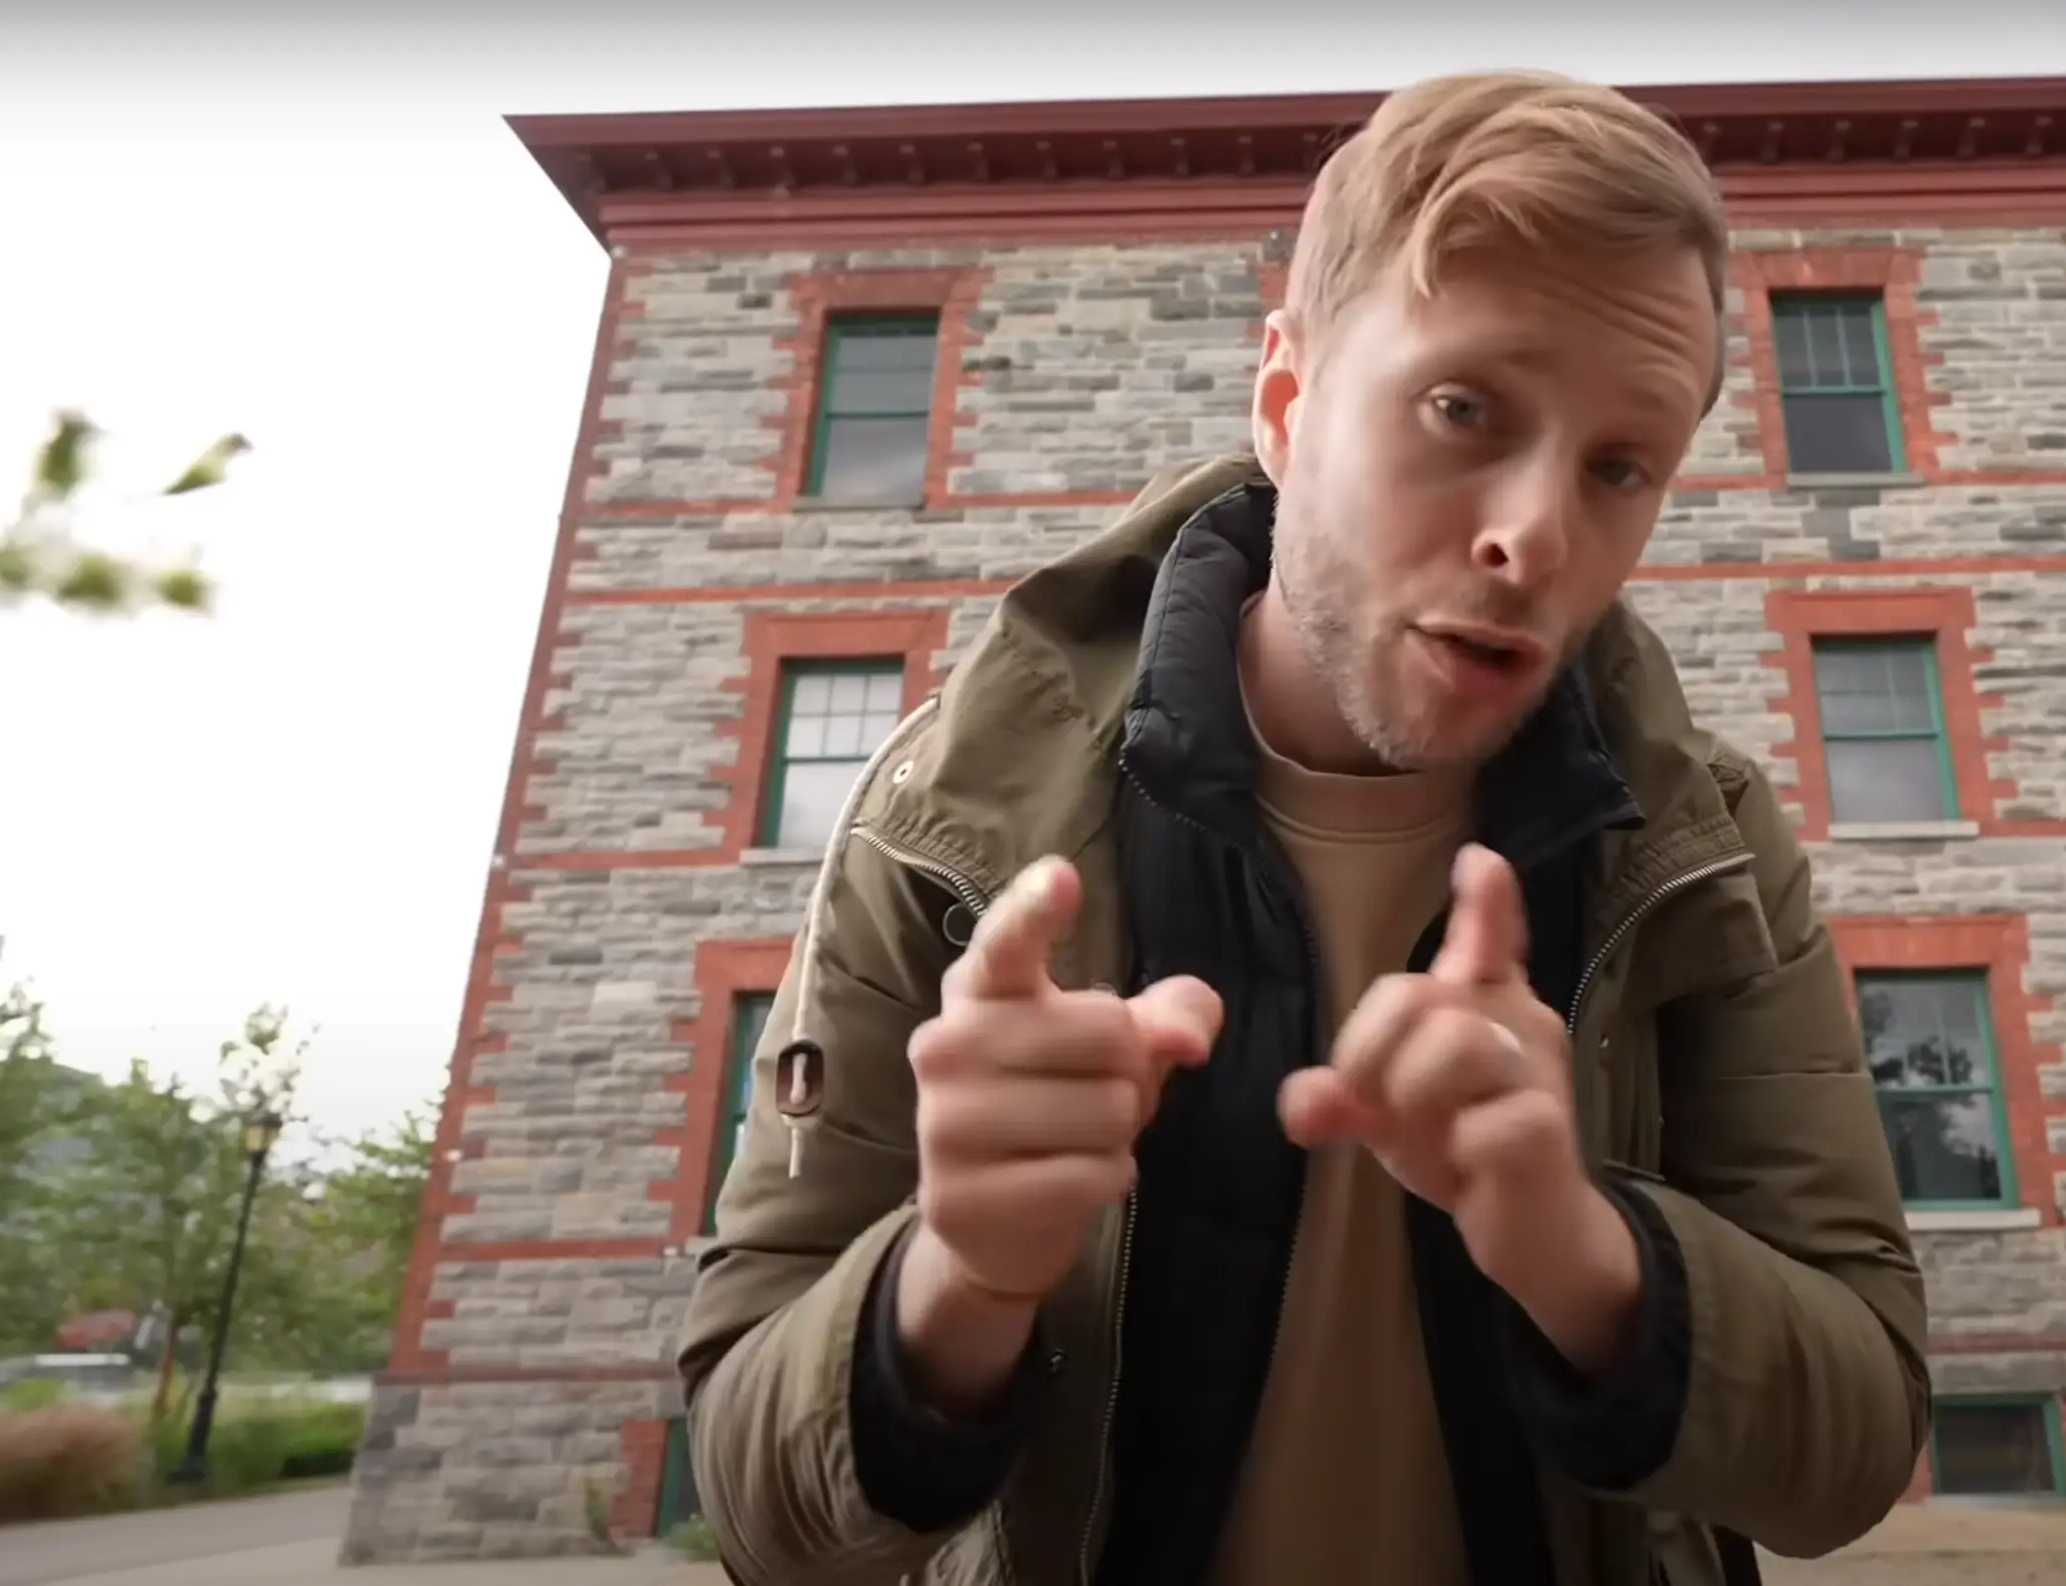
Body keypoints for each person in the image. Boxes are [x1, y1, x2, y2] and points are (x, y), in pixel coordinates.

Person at [678, 68, 1932, 1586]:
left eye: (1619, 466)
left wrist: (1582, 1251)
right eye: (1462, 407)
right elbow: (754, 1507)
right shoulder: (944, 816)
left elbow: (1856, 1442)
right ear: (1283, 399)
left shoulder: (1703, 840)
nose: (1534, 534)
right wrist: (952, 1281)